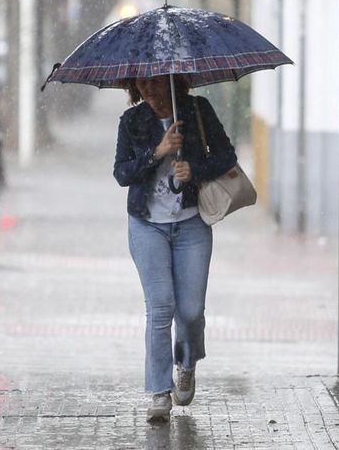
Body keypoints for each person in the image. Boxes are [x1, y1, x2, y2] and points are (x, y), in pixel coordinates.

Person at [113, 74, 237, 423]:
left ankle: (187, 363)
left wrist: (194, 169)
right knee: (160, 308)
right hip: (147, 224)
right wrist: (158, 152)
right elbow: (122, 173)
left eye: (154, 83)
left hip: (191, 223)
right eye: (141, 85)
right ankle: (159, 392)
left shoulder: (197, 111)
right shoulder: (132, 120)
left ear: (172, 81)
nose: (148, 90)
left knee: (191, 311)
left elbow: (227, 157)